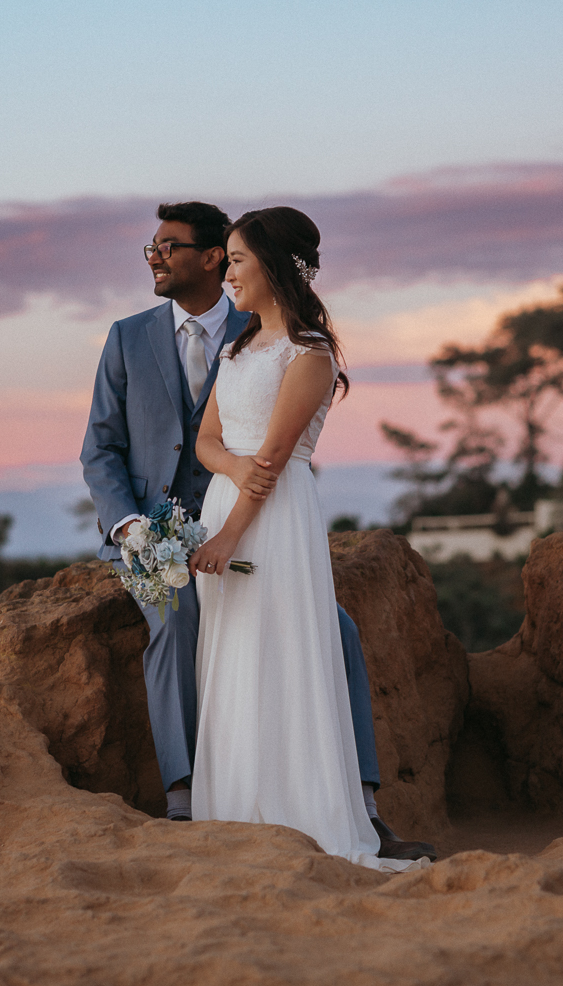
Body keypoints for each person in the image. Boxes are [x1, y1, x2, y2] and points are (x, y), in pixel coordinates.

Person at [81, 202, 433, 863]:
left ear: (214, 257)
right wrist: (133, 528)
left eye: (168, 246)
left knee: (338, 631)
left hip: (251, 521)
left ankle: (359, 803)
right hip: (158, 532)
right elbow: (103, 448)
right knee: (176, 619)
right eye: (149, 248)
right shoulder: (129, 338)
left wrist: (239, 497)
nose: (154, 258)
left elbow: (272, 451)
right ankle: (186, 798)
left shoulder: (261, 334)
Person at [187, 207, 426, 872]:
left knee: (278, 655)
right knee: (231, 660)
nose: (227, 272)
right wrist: (229, 473)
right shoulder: (236, 348)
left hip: (271, 520)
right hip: (225, 501)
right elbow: (209, 440)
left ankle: (302, 816)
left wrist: (229, 536)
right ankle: (233, 811)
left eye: (237, 259)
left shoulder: (310, 354)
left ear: (276, 266)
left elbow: (275, 458)